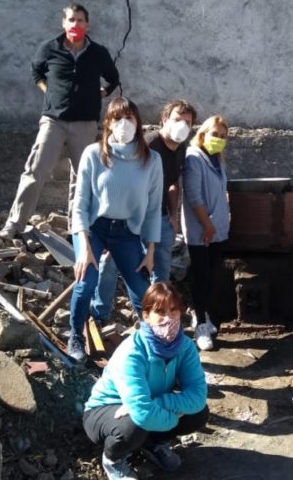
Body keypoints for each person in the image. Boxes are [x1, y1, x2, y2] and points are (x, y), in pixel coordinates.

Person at [0, 2, 120, 240]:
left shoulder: (98, 52)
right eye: (71, 20)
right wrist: (49, 91)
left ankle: (78, 226)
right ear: (64, 23)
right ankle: (14, 224)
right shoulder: (49, 48)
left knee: (83, 176)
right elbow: (36, 73)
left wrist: (101, 93)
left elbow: (113, 79)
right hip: (54, 120)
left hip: (85, 123)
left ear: (87, 24)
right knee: (35, 171)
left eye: (81, 20)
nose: (76, 24)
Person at [68, 97, 163, 362]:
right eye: (117, 118)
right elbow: (80, 204)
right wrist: (85, 248)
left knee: (142, 288)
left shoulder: (151, 160)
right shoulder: (93, 154)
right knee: (85, 281)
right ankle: (75, 335)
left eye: (129, 118)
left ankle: (152, 341)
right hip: (93, 228)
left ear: (138, 122)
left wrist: (150, 249)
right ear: (108, 123)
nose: (124, 124)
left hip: (126, 232)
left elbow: (154, 208)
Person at [83, 282, 208, 480]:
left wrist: (159, 403)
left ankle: (152, 444)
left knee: (198, 413)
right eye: (160, 312)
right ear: (146, 316)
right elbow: (141, 413)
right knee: (134, 424)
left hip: (148, 403)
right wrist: (174, 418)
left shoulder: (184, 347)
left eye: (174, 311)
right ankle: (113, 461)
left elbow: (199, 396)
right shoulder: (132, 351)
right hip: (106, 411)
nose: (168, 319)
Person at [91, 101, 197, 320]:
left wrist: (174, 215)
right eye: (178, 119)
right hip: (133, 219)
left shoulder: (181, 148)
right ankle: (100, 313)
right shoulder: (148, 145)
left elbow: (174, 182)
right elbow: (126, 181)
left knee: (161, 271)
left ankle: (156, 318)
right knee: (111, 263)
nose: (183, 126)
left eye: (188, 122)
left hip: (161, 218)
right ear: (164, 120)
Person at [181, 115, 231, 352]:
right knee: (201, 278)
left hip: (217, 229)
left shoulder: (217, 159)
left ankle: (203, 315)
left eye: (223, 136)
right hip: (201, 230)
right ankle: (200, 325)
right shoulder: (194, 158)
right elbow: (193, 195)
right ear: (202, 134)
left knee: (212, 276)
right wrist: (206, 224)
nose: (218, 139)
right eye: (215, 134)